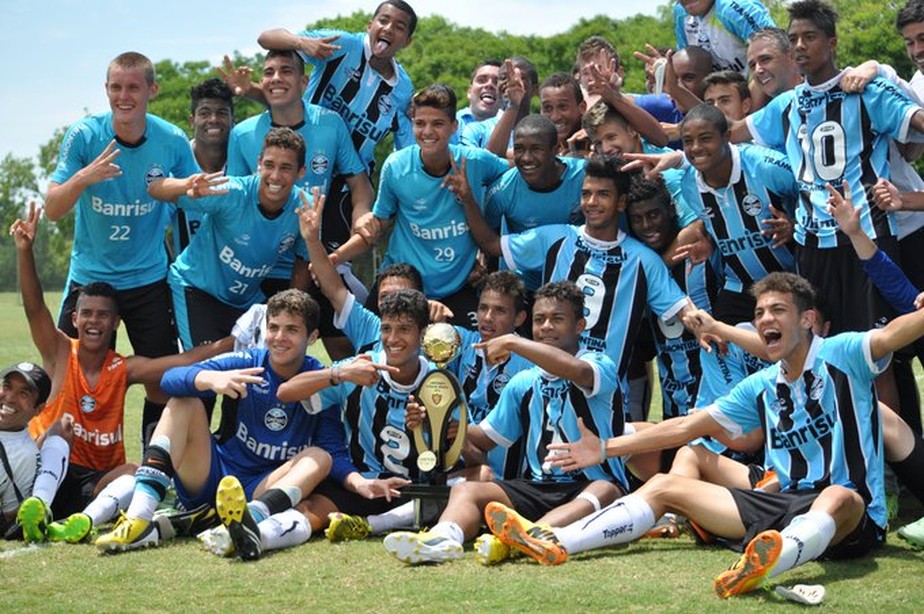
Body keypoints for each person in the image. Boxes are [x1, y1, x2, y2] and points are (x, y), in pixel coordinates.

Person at [487, 271, 924, 600]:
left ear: (808, 319)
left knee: (840, 496)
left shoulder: (841, 354)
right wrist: (603, 447)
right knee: (662, 485)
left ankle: (767, 566)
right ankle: (555, 541)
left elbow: (891, 334)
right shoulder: (761, 384)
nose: (764, 320)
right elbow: (683, 427)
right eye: (758, 314)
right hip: (781, 506)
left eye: (777, 311)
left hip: (850, 521)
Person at [94, 290, 385, 561]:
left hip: (263, 488)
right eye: (274, 327)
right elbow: (170, 379)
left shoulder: (319, 379)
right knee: (185, 401)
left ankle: (247, 522)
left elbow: (332, 450)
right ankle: (139, 517)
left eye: (292, 330)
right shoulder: (248, 361)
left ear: (312, 337)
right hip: (214, 475)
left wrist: (357, 482)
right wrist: (210, 380)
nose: (279, 337)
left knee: (319, 457)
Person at [8, 203, 233, 541]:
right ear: (75, 319)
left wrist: (231, 342)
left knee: (134, 472)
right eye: (86, 314)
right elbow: (34, 305)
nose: (93, 322)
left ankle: (82, 521)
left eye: (102, 316)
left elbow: (181, 361)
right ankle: (40, 504)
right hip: (48, 468)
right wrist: (25, 251)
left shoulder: (122, 368)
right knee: (60, 430)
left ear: (115, 323)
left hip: (94, 481)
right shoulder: (58, 351)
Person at [382, 281, 628, 566]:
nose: (546, 326)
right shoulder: (524, 383)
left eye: (557, 319)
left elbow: (579, 372)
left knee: (605, 489)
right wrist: (435, 421)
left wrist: (512, 342)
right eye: (540, 320)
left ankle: (524, 538)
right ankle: (443, 539)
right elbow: (484, 438)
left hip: (589, 486)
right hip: (537, 487)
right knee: (466, 490)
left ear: (580, 325)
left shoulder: (599, 364)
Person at [44, 51, 199, 445]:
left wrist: (189, 188)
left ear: (152, 90)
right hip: (90, 281)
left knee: (162, 383)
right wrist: (84, 177)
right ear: (106, 90)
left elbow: (193, 199)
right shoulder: (84, 135)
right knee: (69, 379)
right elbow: (53, 210)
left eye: (133, 87)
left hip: (148, 279)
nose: (123, 96)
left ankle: (154, 468)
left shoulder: (172, 140)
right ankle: (67, 467)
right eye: (116, 87)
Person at [457, 155, 692, 413]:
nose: (591, 202)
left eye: (602, 194)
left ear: (621, 202)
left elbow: (681, 309)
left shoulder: (643, 260)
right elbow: (492, 244)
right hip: (546, 392)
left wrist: (713, 330)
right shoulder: (554, 238)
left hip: (605, 401)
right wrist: (468, 199)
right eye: (586, 194)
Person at [225, 50, 373, 359]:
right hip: (259, 267)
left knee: (346, 348)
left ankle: (346, 405)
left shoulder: (330, 125)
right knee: (250, 359)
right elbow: (234, 202)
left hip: (315, 260)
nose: (276, 78)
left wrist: (362, 217)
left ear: (304, 81)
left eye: (286, 71)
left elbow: (359, 183)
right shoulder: (242, 134)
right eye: (268, 72)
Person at [273, 289, 431, 536]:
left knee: (469, 482)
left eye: (404, 329)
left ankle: (370, 526)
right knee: (311, 510)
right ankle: (252, 535)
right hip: (365, 484)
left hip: (418, 490)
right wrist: (339, 374)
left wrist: (431, 426)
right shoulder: (359, 368)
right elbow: (285, 392)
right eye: (386, 328)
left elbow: (465, 451)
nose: (392, 338)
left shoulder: (439, 382)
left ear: (422, 335)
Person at [359, 84, 509, 327]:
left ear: (454, 127)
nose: (427, 131)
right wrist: (337, 255)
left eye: (437, 124)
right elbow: (380, 220)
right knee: (371, 347)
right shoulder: (397, 166)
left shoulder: (475, 161)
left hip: (456, 287)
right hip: (401, 285)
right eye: (420, 123)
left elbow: (518, 172)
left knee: (467, 354)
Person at [150, 127, 310, 352]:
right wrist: (186, 186)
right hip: (197, 289)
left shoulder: (306, 207)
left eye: (286, 168)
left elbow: (304, 261)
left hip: (246, 300)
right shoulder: (231, 192)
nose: (275, 176)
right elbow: (156, 188)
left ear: (301, 172)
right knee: (204, 373)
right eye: (269, 165)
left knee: (253, 375)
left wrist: (292, 310)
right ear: (258, 164)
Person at [679, 103, 797, 324]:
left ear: (727, 137)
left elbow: (814, 196)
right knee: (720, 344)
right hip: (741, 286)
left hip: (794, 279)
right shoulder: (689, 185)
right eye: (688, 141)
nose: (695, 148)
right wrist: (711, 244)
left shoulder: (764, 165)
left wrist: (795, 224)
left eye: (705, 138)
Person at [170, 78, 234, 258]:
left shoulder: (243, 164)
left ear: (232, 119)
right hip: (187, 281)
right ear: (192, 120)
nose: (213, 120)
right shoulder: (175, 168)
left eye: (222, 113)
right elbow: (154, 230)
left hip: (238, 281)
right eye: (205, 113)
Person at [673, 0, 776, 76]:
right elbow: (684, 74)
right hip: (714, 96)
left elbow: (776, 60)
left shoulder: (734, 8)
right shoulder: (680, 13)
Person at [453, 60, 502, 143]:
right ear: (469, 92)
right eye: (481, 80)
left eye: (496, 82)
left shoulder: (513, 130)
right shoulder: (450, 123)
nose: (489, 85)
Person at [538, 72, 586, 156]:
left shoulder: (597, 143)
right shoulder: (544, 148)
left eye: (563, 107)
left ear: (582, 107)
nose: (555, 117)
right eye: (547, 108)